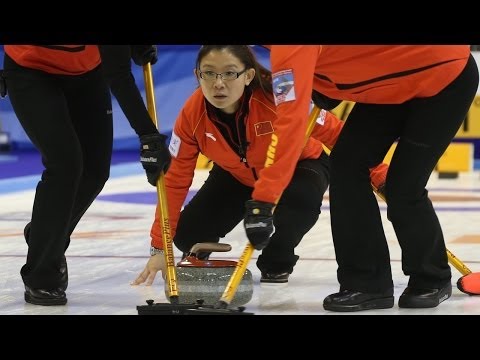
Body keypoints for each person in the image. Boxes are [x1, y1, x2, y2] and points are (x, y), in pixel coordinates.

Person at [243, 45, 478, 311]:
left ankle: (432, 277)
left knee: (404, 185)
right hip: (391, 82)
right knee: (346, 163)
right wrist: (327, 84)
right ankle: (367, 283)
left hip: (443, 78)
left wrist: (263, 200)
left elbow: (290, 122)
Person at [132, 45, 388, 287]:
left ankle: (277, 259)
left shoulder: (277, 99)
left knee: (299, 204)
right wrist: (159, 248)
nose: (218, 83)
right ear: (197, 75)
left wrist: (380, 177)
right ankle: (204, 255)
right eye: (209, 73)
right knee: (187, 233)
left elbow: (337, 134)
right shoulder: (191, 115)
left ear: (248, 75)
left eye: (230, 73)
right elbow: (176, 179)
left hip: (300, 166)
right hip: (237, 175)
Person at [2, 45, 171, 305]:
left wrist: (149, 138)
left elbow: (117, 74)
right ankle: (42, 277)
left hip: (88, 72)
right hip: (31, 71)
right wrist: (148, 135)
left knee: (95, 171)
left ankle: (43, 233)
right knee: (65, 165)